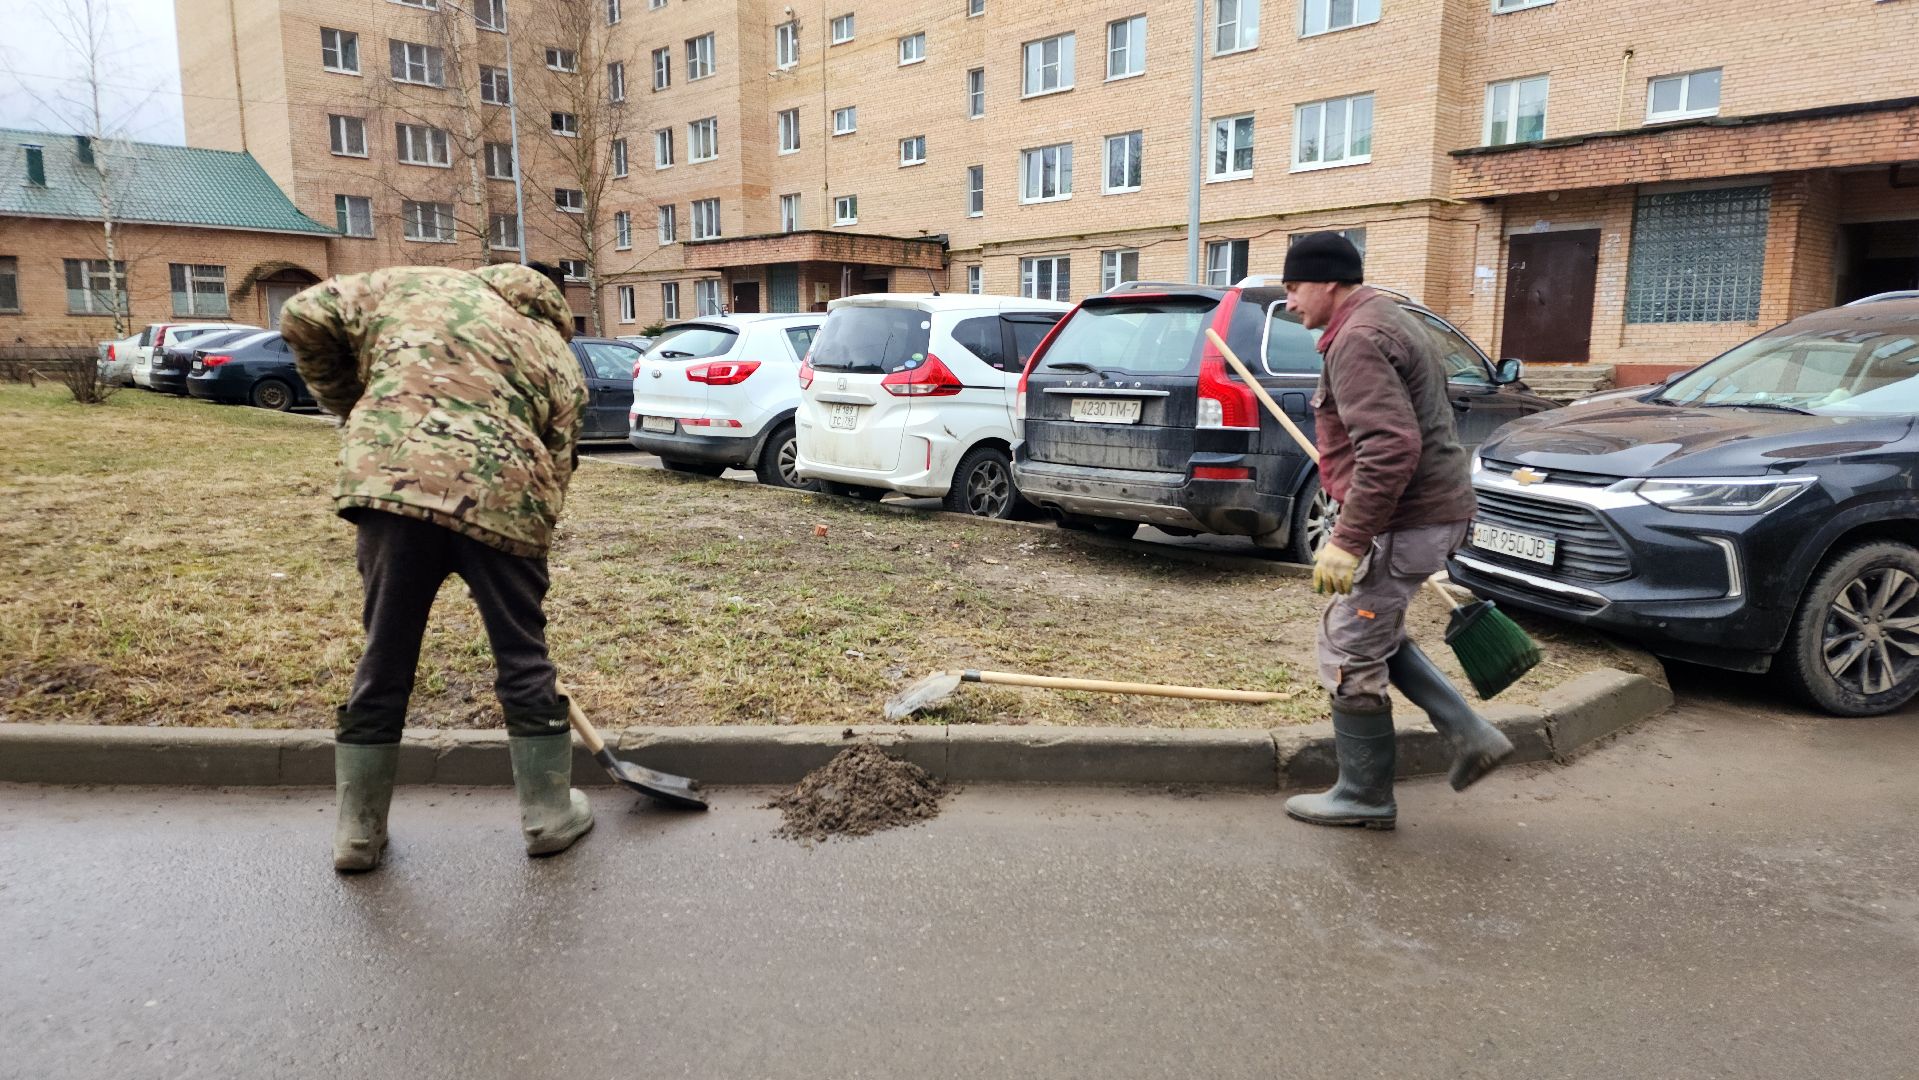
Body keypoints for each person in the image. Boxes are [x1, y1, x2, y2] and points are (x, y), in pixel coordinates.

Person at [281, 261, 593, 871]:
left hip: (394, 487)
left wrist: (357, 406)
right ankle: (550, 816)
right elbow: (559, 464)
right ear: (554, 307)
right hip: (507, 503)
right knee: (523, 656)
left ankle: (358, 834)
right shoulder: (556, 354)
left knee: (386, 653)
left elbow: (301, 315)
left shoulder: (408, 285)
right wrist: (531, 545)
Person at [1279, 233, 1514, 830]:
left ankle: (1365, 796)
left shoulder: (1357, 338)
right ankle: (1469, 734)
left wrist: (1348, 540)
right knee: (1372, 627)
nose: (1289, 301)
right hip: (1427, 514)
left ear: (1329, 282)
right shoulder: (1387, 318)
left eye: (1294, 287)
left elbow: (1389, 446)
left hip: (1404, 522)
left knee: (1349, 648)